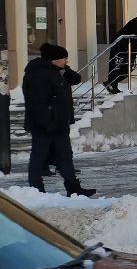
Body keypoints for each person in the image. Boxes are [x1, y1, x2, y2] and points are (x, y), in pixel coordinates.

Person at [21, 43, 94, 197]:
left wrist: (65, 69)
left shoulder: (57, 72)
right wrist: (47, 123)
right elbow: (38, 103)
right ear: (54, 59)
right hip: (44, 125)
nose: (67, 61)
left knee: (65, 157)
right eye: (64, 58)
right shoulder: (39, 74)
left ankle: (73, 188)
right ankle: (36, 190)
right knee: (39, 157)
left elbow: (75, 79)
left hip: (59, 124)